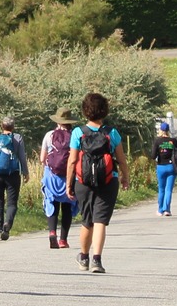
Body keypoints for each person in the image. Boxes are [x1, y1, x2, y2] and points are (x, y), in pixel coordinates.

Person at [67, 92, 124, 273]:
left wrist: (69, 184)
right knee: (100, 221)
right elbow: (121, 159)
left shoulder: (78, 132)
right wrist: (125, 177)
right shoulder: (112, 133)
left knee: (87, 221)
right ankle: (97, 261)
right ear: (105, 111)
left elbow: (72, 161)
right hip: (108, 179)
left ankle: (84, 257)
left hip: (83, 181)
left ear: (85, 111)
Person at [0, 117, 29, 240]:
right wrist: (25, 172)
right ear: (13, 126)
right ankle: (7, 223)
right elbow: (22, 157)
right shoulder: (18, 138)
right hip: (13, 174)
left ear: (1, 126)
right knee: (12, 203)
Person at [41, 109, 77, 249]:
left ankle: (52, 233)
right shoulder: (75, 136)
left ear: (57, 121)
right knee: (67, 207)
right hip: (68, 176)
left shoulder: (49, 135)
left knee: (52, 203)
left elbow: (42, 159)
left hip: (51, 176)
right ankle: (63, 240)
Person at [149, 120, 177, 217]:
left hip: (161, 167)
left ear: (160, 130)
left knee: (161, 189)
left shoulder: (157, 141)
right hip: (171, 167)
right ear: (168, 130)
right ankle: (167, 210)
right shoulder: (173, 141)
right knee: (168, 189)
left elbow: (153, 156)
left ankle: (160, 210)